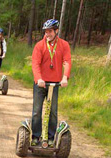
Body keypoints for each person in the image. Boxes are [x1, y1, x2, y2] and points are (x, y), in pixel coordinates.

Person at [31, 19, 71, 147]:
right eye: (46, 31)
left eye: (50, 31)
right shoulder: (39, 45)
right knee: (37, 111)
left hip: (54, 84)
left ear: (56, 31)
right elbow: (35, 64)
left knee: (53, 111)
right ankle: (36, 136)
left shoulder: (64, 45)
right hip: (40, 84)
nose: (47, 34)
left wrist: (65, 77)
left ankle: (50, 138)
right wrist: (39, 79)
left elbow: (67, 62)